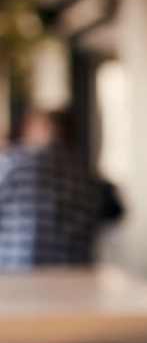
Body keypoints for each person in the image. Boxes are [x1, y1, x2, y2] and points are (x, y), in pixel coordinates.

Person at [0, 108, 122, 269]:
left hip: (16, 271)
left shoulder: (12, 164)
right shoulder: (88, 174)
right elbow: (115, 212)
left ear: (45, 128)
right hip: (75, 274)